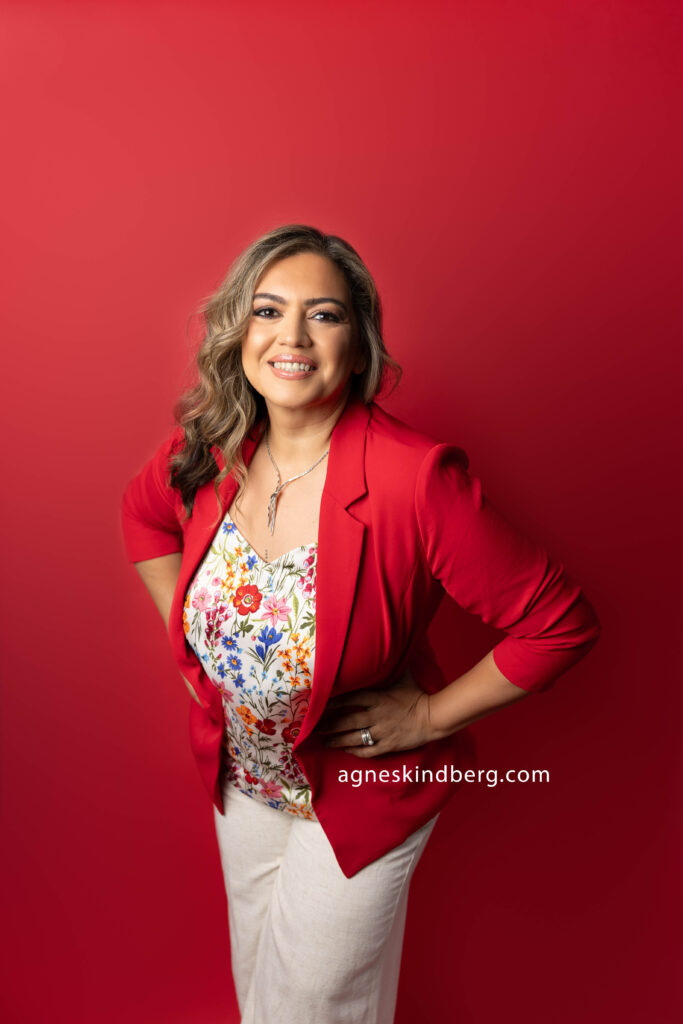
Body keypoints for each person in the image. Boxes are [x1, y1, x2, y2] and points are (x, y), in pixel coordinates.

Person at [120, 223, 601, 1024]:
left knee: (304, 1008)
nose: (292, 337)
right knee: (275, 994)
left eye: (325, 315)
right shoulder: (210, 447)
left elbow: (559, 622)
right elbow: (143, 521)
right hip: (245, 778)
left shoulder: (415, 480)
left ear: (359, 339)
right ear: (240, 329)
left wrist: (428, 715)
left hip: (359, 789)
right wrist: (192, 654)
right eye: (269, 310)